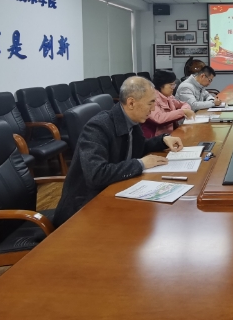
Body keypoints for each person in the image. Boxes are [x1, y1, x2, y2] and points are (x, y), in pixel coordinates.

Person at [54, 76, 183, 226]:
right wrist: (140, 164)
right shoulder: (98, 127)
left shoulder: (131, 121)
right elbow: (96, 175)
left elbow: (137, 147)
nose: (153, 108)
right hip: (83, 209)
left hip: (114, 190)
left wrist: (163, 140)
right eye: (150, 103)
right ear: (131, 103)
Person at [142, 69, 194, 138]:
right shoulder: (152, 98)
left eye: (174, 85)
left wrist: (184, 111)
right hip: (156, 138)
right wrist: (183, 112)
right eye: (171, 85)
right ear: (161, 85)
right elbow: (159, 119)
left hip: (170, 134)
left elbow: (184, 104)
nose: (173, 88)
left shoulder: (168, 96)